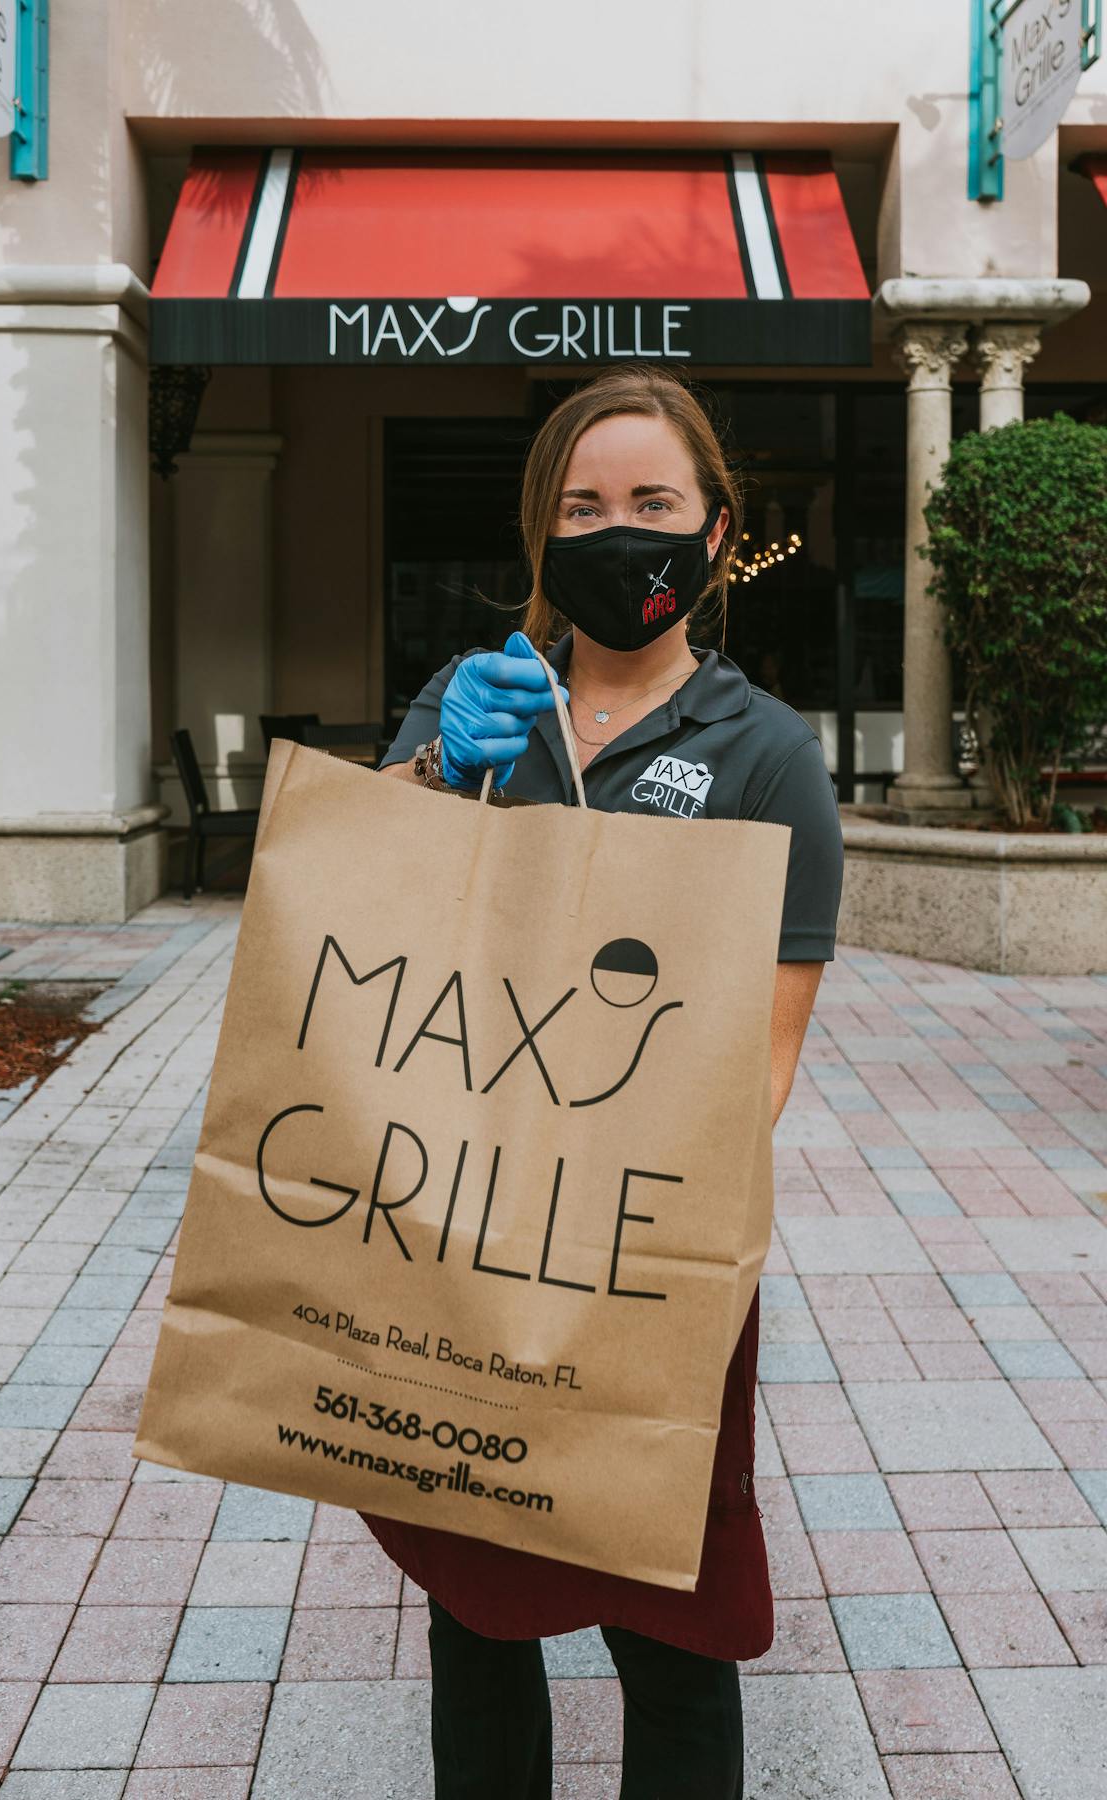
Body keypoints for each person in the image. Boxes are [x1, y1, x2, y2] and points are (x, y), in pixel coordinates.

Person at [373, 364, 844, 1799]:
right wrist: (448, 772)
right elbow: (357, 910)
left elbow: (760, 1060)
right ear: (541, 537)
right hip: (463, 1237)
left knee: (669, 1617)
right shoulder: (471, 703)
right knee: (474, 1607)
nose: (616, 530)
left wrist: (608, 1232)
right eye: (583, 506)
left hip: (648, 1261)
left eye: (652, 502)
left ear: (713, 533)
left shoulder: (767, 756)